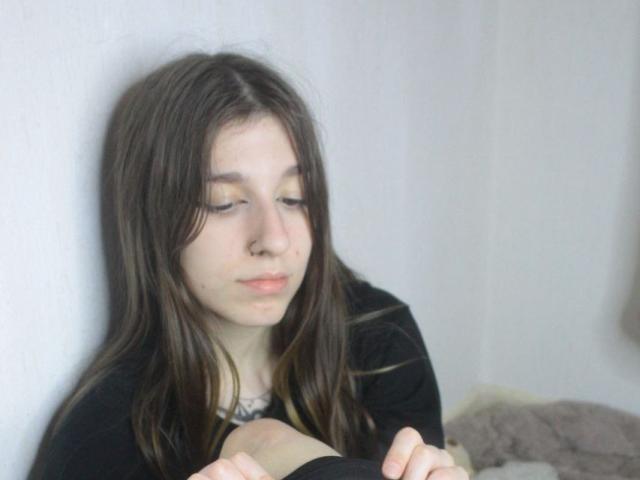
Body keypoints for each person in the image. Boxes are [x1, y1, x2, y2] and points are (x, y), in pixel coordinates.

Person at [35, 52, 467, 480]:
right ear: (155, 220)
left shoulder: (378, 340)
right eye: (225, 203)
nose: (274, 239)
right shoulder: (104, 436)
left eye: (293, 197)